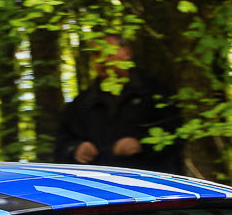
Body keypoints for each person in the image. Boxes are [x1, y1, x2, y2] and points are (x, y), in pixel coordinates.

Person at [53, 34, 186, 174]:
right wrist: (76, 149)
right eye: (97, 54)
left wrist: (142, 144)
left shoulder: (155, 92)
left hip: (150, 179)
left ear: (126, 53)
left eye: (109, 52)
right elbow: (61, 144)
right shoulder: (82, 103)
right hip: (100, 181)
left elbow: (177, 135)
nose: (103, 60)